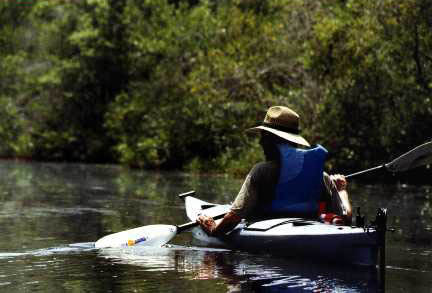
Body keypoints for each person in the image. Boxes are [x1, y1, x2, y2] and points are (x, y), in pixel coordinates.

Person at [197, 106, 352, 236]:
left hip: (270, 233)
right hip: (309, 231)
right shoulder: (321, 175)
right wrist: (341, 190)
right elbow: (346, 218)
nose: (260, 142)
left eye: (264, 137)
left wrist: (212, 227)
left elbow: (232, 219)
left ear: (273, 140)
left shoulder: (261, 172)